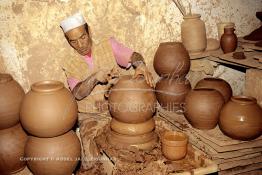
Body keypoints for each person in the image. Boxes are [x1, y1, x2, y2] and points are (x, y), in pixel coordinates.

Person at [60, 12, 154, 172]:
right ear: (69, 42)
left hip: (117, 113)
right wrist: (95, 77)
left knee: (134, 152)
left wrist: (140, 64)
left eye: (82, 37)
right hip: (91, 117)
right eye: (73, 41)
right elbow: (77, 93)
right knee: (93, 162)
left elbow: (133, 55)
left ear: (88, 31)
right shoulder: (70, 63)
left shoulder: (108, 45)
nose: (80, 45)